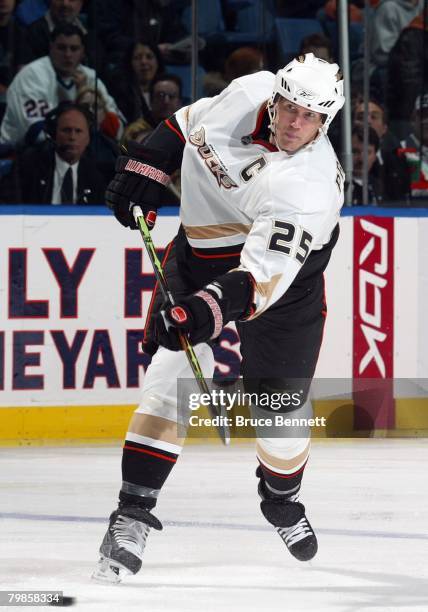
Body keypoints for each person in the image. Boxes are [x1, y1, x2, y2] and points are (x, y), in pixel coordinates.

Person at [92, 53, 345, 583]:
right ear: (274, 98)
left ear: (326, 122)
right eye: (289, 107)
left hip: (283, 284)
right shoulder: (248, 89)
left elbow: (257, 281)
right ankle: (131, 513)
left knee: (279, 412)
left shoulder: (308, 186)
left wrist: (203, 311)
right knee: (168, 382)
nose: (294, 122)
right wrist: (149, 161)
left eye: (309, 116)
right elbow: (189, 122)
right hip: (201, 253)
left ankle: (280, 499)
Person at [0, 23, 121, 146]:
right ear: (51, 47)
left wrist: (90, 102)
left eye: (74, 49)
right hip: (19, 153)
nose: (68, 55)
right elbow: (37, 133)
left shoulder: (90, 77)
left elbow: (117, 129)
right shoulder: (32, 75)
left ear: (82, 51)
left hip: (76, 153)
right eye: (61, 48)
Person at [16, 101, 106, 203]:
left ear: (88, 138)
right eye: (66, 130)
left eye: (78, 131)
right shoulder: (28, 165)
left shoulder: (98, 176)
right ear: (54, 134)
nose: (72, 137)